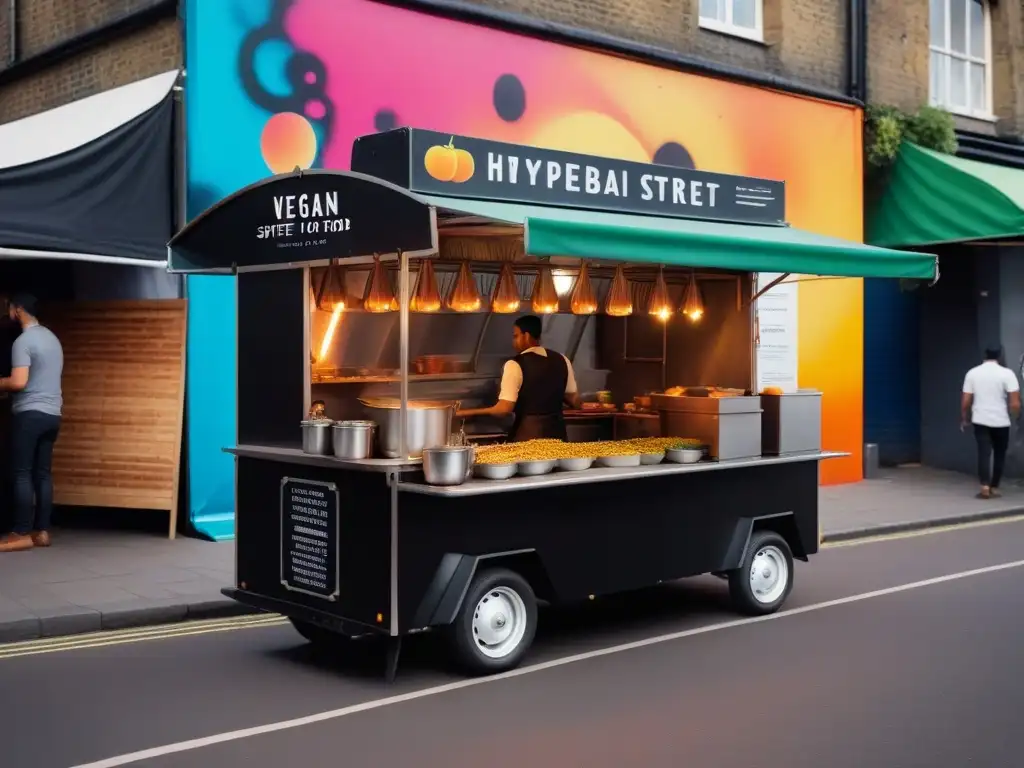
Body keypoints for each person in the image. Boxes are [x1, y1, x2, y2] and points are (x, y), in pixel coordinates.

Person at [0, 293, 63, 552]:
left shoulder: (23, 341)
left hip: (29, 414)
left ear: (18, 310)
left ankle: (21, 532)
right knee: (42, 474)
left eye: (10, 308)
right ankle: (42, 531)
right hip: (53, 414)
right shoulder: (52, 338)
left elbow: (18, 382)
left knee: (22, 473)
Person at [457, 314, 580, 441]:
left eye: (516, 336)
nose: (513, 342)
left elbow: (504, 409)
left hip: (528, 438)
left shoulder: (515, 364)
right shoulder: (562, 360)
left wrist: (467, 413)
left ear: (526, 336)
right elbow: (574, 401)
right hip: (558, 438)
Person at [961, 346, 1020, 500]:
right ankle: (994, 487)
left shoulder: (973, 373)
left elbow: (966, 400)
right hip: (1001, 421)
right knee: (1000, 454)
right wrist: (1013, 417)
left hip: (980, 420)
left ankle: (984, 486)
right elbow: (1015, 403)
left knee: (983, 453)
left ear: (985, 355)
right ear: (999, 356)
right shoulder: (1007, 374)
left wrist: (964, 417)